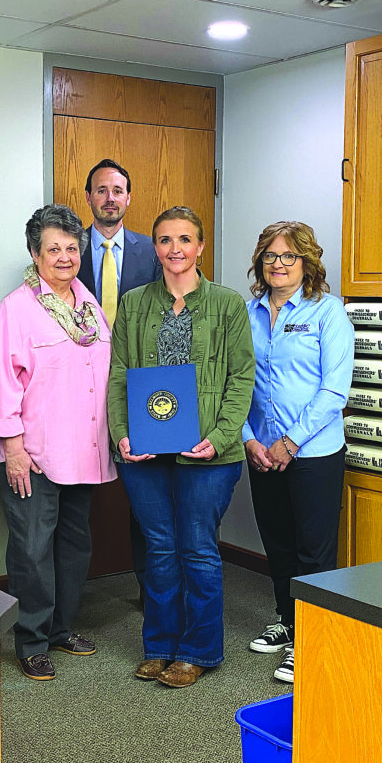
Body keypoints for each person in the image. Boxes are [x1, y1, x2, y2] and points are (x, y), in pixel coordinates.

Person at [108, 206, 255, 688]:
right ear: (155, 247)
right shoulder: (133, 304)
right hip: (145, 454)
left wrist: (220, 437)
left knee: (197, 550)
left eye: (185, 239)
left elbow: (241, 379)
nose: (175, 249)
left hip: (208, 454)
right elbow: (117, 375)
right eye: (166, 240)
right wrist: (122, 433)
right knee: (159, 549)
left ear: (200, 247)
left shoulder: (228, 305)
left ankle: (198, 650)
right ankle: (160, 646)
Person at [0, 204, 116, 681]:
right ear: (35, 254)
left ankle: (60, 628)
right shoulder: (16, 310)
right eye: (53, 249)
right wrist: (13, 450)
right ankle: (32, 640)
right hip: (32, 454)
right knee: (32, 549)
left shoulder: (89, 307)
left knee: (75, 545)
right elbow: (1, 383)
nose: (64, 257)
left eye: (72, 248)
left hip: (83, 449)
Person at [242, 221, 354, 683]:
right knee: (278, 544)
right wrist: (249, 438)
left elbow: (334, 391)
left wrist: (290, 442)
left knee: (313, 550)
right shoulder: (246, 313)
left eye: (289, 256)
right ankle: (287, 621)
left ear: (306, 262)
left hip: (314, 453)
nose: (278, 264)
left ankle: (310, 638)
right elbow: (233, 381)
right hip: (261, 450)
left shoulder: (328, 312)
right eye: (270, 255)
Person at [78, 158, 161, 601]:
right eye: (101, 190)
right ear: (89, 197)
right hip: (79, 389)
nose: (110, 198)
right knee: (74, 493)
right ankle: (70, 601)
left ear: (129, 197)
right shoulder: (66, 248)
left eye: (117, 190)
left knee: (146, 498)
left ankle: (152, 594)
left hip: (139, 387)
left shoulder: (154, 251)